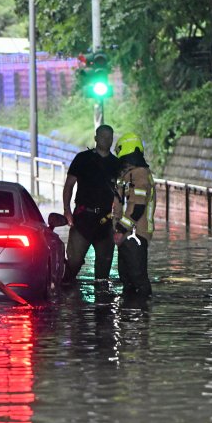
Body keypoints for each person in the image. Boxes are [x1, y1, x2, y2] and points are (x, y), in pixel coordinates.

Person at [62, 124, 120, 286]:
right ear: (96, 138)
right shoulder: (83, 159)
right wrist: (67, 211)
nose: (107, 140)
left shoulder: (116, 164)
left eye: (110, 137)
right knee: (73, 263)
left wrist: (117, 221)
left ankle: (102, 306)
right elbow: (69, 186)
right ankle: (68, 299)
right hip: (83, 218)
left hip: (105, 220)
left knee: (103, 270)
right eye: (103, 136)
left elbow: (120, 194)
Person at [112, 132, 156, 297]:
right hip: (128, 234)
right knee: (128, 280)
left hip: (134, 234)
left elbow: (137, 205)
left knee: (137, 279)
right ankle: (130, 316)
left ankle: (142, 316)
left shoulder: (139, 174)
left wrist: (121, 229)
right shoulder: (129, 174)